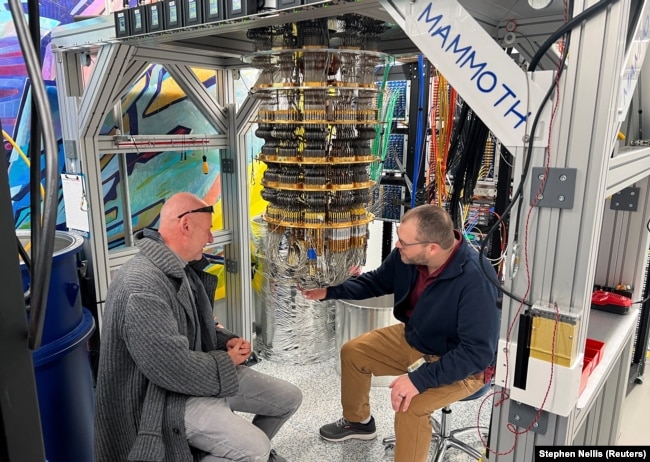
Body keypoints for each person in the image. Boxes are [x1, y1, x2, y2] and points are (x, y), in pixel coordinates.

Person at [95, 192, 302, 462]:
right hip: (161, 399)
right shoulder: (142, 286)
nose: (211, 239)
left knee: (289, 398)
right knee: (256, 448)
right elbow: (171, 369)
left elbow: (189, 329)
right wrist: (226, 361)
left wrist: (223, 340)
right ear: (185, 226)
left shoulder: (180, 268)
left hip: (194, 377)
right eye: (207, 230)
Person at [302, 204, 500, 461]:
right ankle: (359, 422)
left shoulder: (476, 279)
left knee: (411, 406)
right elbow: (376, 282)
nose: (397, 245)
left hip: (463, 365)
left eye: (404, 242)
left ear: (432, 248)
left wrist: (420, 379)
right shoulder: (409, 257)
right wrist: (330, 291)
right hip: (419, 338)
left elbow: (477, 353)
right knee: (354, 352)